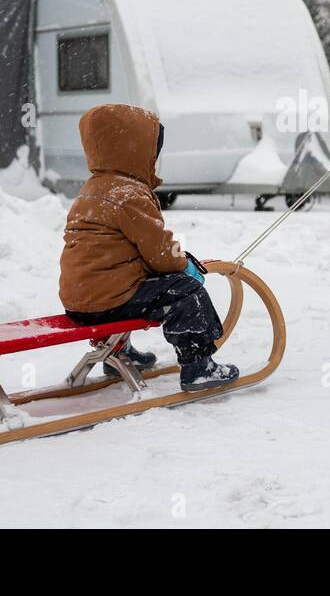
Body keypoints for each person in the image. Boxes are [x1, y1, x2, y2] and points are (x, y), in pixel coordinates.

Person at [59, 103, 238, 390]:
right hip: (108, 303)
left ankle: (117, 351)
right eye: (152, 150)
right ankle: (198, 367)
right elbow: (161, 252)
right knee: (185, 292)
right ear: (134, 150)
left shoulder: (92, 189)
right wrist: (185, 266)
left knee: (130, 279)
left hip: (78, 301)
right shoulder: (128, 194)